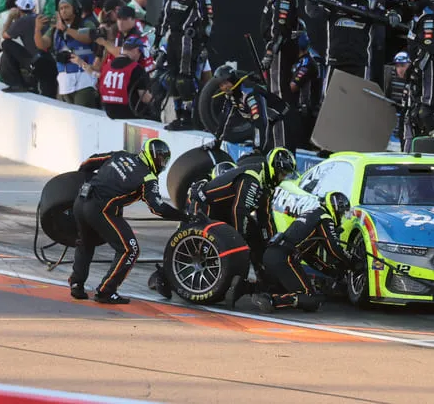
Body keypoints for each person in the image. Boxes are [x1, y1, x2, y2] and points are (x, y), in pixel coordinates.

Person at [69, 138, 188, 304]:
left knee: (85, 243)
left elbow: (89, 161)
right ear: (151, 156)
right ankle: (106, 291)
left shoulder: (120, 155)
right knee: (130, 249)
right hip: (100, 210)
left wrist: (85, 178)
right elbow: (158, 208)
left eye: (164, 161)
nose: (162, 163)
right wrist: (184, 216)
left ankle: (76, 283)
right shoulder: (148, 177)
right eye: (160, 159)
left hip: (80, 201)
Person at [184, 147, 297, 304]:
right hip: (206, 206)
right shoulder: (252, 177)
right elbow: (240, 210)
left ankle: (266, 281)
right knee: (218, 246)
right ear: (274, 167)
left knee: (257, 236)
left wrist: (270, 243)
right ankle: (165, 276)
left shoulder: (267, 184)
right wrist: (239, 239)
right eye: (282, 173)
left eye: (286, 175)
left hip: (225, 210)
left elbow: (265, 218)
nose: (283, 178)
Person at [251, 192, 360, 313]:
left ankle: (246, 287)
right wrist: (351, 262)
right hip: (284, 258)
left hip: (271, 254)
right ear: (335, 208)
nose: (342, 217)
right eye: (342, 213)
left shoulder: (312, 214)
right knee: (310, 297)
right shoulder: (325, 218)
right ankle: (271, 300)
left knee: (280, 288)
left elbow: (310, 257)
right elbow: (333, 248)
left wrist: (330, 272)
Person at [386, 0, 434, 151]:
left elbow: (429, 48)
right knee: (414, 113)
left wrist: (414, 69)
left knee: (426, 111)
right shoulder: (418, 14)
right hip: (422, 69)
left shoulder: (429, 16)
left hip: (431, 68)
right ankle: (417, 149)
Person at [154, 0, 213, 130]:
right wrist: (157, 42)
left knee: (184, 81)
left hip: (190, 42)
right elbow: (162, 19)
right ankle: (178, 116)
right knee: (171, 79)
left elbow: (208, 21)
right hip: (172, 40)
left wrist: (203, 43)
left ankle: (188, 117)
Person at [305, 0, 384, 91]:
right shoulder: (334, 1)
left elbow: (384, 16)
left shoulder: (370, 4)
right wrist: (311, 1)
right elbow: (314, 13)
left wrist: (393, 14)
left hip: (359, 61)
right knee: (330, 97)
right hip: (336, 59)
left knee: (357, 98)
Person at [258, 0, 298, 149]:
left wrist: (269, 53)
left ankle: (283, 147)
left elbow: (280, 30)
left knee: (279, 97)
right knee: (273, 96)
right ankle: (275, 142)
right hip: (277, 50)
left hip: (280, 52)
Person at [208, 65, 295, 155]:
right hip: (270, 124)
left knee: (280, 157)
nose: (225, 87)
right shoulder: (231, 95)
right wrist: (216, 142)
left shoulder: (249, 92)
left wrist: (257, 149)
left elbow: (260, 121)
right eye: (221, 85)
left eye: (226, 83)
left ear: (233, 79)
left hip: (282, 121)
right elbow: (224, 119)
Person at [33, 0, 99, 107]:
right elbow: (42, 44)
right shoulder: (55, 28)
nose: (63, 11)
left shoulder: (86, 23)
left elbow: (88, 37)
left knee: (82, 113)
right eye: (61, 8)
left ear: (75, 9)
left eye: (67, 7)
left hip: (84, 78)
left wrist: (66, 29)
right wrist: (37, 29)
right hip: (64, 80)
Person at [0, 0, 57, 96]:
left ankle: (17, 84)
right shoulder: (42, 18)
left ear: (18, 8)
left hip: (35, 62)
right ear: (33, 7)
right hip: (49, 60)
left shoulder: (21, 21)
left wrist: (10, 17)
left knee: (6, 44)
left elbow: (5, 36)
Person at [99, 36, 154, 119]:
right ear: (136, 50)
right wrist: (156, 100)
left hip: (109, 112)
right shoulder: (136, 68)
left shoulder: (107, 67)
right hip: (130, 114)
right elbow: (145, 98)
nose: (139, 57)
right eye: (140, 53)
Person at [289, 30, 322, 145]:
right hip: (296, 112)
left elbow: (292, 87)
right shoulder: (295, 61)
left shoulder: (308, 63)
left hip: (306, 114)